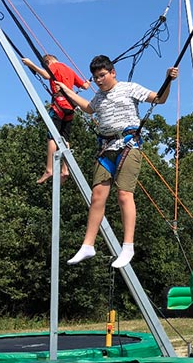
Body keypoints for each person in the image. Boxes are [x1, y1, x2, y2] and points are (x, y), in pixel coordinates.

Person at [56, 55, 178, 269]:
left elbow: (159, 98)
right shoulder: (99, 98)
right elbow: (87, 107)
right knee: (97, 196)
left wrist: (168, 79)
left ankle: (128, 246)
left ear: (113, 72)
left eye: (102, 75)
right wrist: (67, 91)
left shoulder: (129, 88)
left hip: (128, 146)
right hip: (106, 148)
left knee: (124, 194)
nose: (99, 81)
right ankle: (88, 245)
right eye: (95, 78)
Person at [22, 54, 89, 184]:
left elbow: (46, 75)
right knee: (65, 137)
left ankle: (49, 169)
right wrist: (87, 82)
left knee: (52, 136)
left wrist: (31, 64)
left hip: (59, 105)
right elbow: (84, 87)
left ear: (47, 62)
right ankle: (65, 169)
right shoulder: (69, 69)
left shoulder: (53, 65)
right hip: (70, 107)